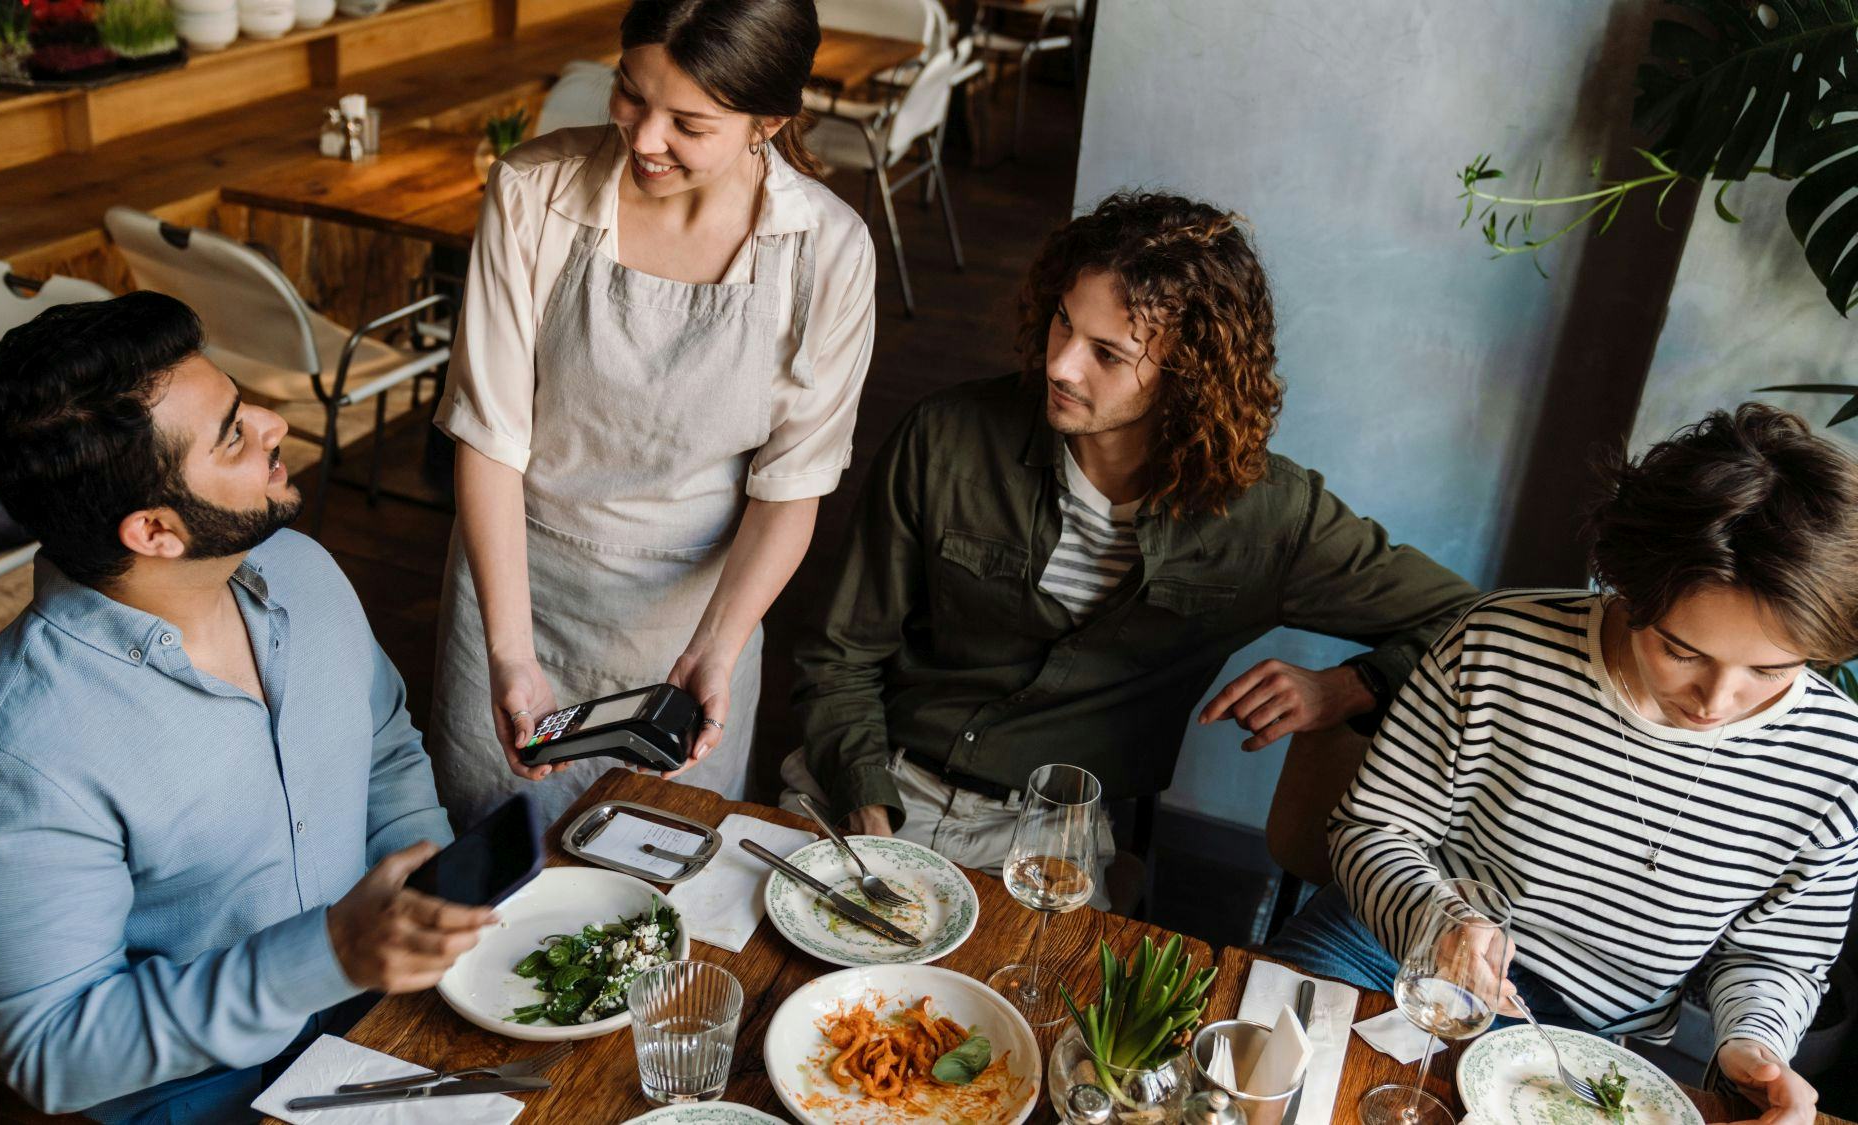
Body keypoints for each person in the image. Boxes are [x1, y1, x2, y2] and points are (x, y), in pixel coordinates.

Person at [785, 191, 1478, 898]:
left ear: (1189, 375)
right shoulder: (945, 438)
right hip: (876, 778)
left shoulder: (1270, 518)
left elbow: (1477, 625)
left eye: (1107, 354)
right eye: (1063, 322)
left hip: (1049, 835)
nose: (1061, 365)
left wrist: (1347, 687)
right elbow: (840, 653)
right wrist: (868, 816)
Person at [0, 293, 488, 1124]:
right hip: (210, 1102)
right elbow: (55, 1052)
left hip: (393, 1023)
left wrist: (428, 894)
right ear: (155, 531)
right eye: (232, 435)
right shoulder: (11, 754)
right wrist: (328, 954)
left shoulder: (302, 569)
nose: (275, 423)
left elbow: (385, 743)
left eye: (242, 402)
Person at [1271, 405, 1858, 1125]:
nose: (1718, 701)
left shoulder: (1834, 755)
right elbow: (1372, 826)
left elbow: (1778, 955)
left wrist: (1755, 1043)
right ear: (1627, 587)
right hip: (1391, 958)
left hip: (1583, 1046)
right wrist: (1441, 921)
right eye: (1682, 651)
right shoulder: (1500, 644)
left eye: (1770, 670)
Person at [429, 0, 877, 828]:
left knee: (659, 877)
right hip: (518, 588)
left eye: (690, 124)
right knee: (490, 866)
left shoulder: (828, 252)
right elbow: (490, 436)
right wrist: (510, 651)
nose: (643, 139)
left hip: (695, 620)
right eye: (630, 94)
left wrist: (715, 648)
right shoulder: (534, 193)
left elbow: (792, 484)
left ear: (768, 123)